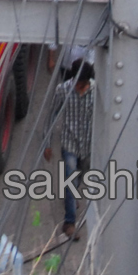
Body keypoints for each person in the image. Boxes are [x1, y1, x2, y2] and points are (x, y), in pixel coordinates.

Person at [44, 60, 94, 239]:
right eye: (78, 83)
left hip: (88, 144)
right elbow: (51, 115)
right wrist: (47, 143)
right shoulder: (62, 90)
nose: (80, 87)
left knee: (79, 176)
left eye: (84, 84)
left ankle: (70, 198)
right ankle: (69, 222)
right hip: (69, 143)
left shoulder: (96, 91)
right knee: (71, 179)